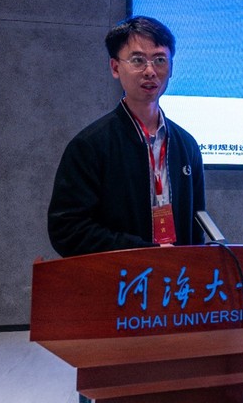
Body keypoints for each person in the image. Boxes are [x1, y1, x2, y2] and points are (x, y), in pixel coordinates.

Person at [48, 15, 205, 257]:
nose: (150, 71)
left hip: (177, 275)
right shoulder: (90, 145)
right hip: (119, 276)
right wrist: (144, 251)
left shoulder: (187, 145)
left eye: (160, 60)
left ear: (171, 68)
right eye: (138, 60)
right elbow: (67, 230)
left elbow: (197, 226)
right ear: (115, 67)